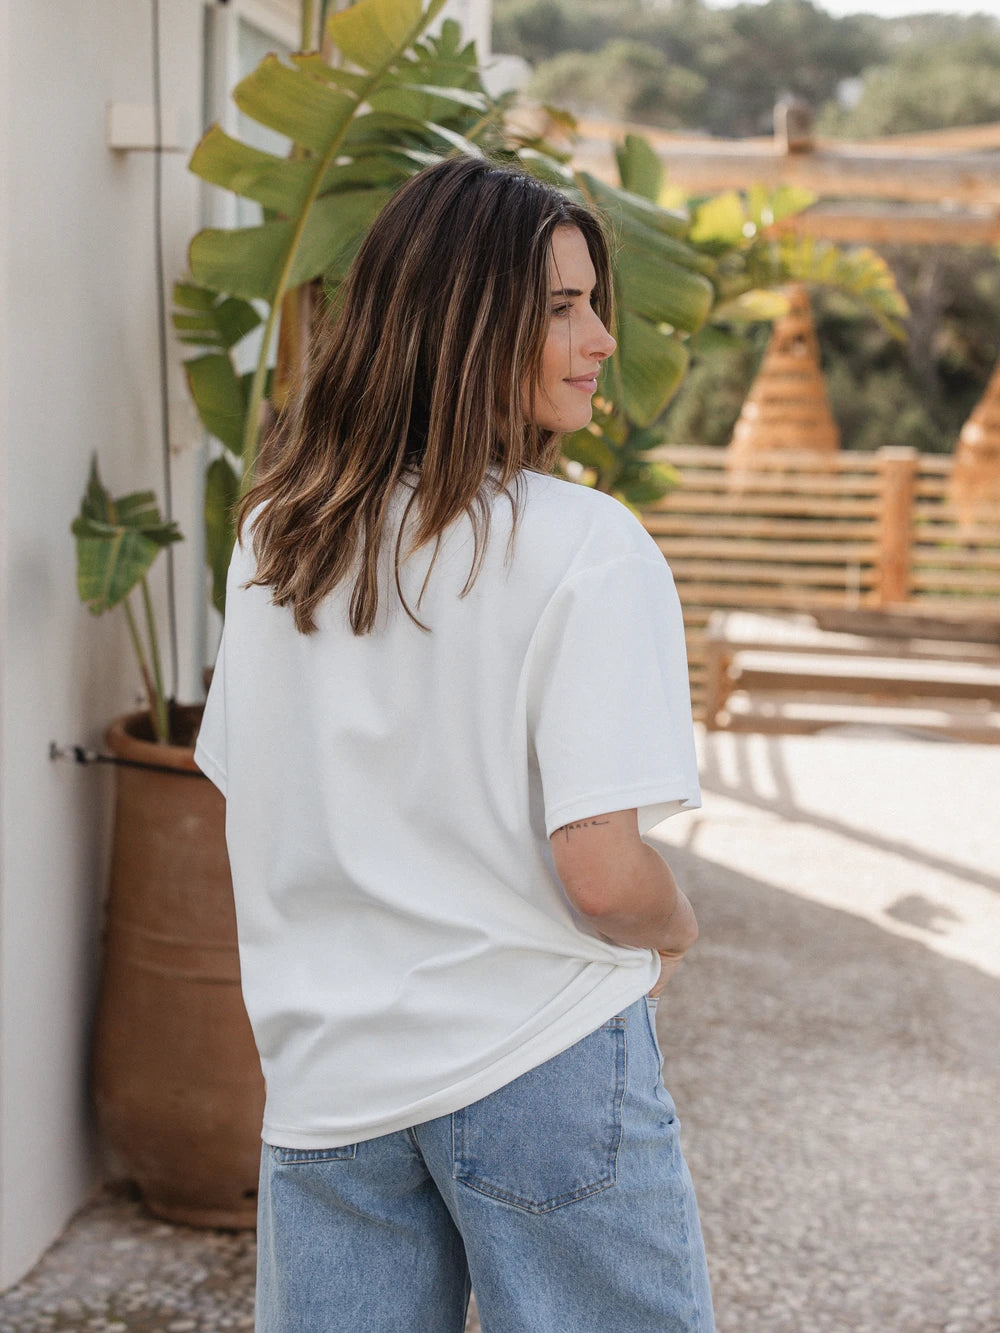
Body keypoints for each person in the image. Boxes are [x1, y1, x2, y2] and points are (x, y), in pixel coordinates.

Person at [195, 154, 715, 1333]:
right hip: (538, 1056)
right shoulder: (586, 544)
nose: (598, 340)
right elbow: (602, 870)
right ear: (464, 324)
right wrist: (675, 929)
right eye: (561, 307)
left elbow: (252, 794)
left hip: (329, 1083)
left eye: (595, 303)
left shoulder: (278, 539)